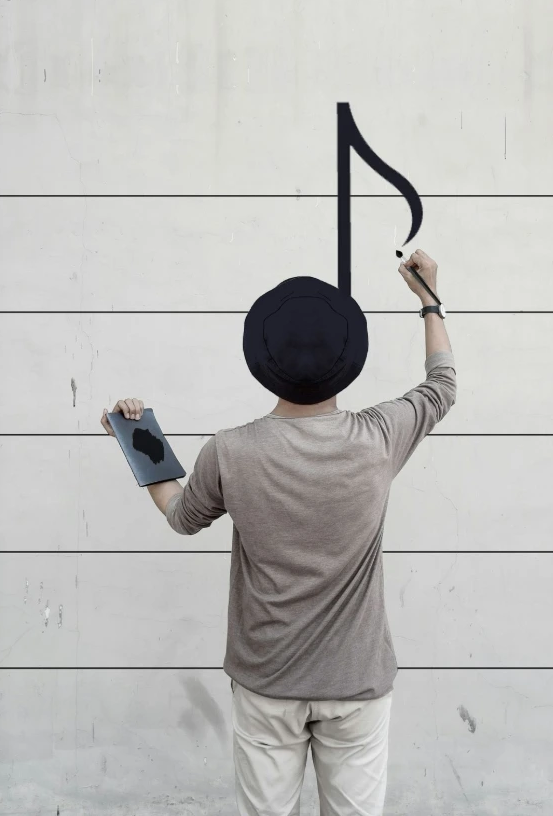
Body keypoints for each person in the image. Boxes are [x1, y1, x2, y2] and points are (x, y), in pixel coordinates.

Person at [101, 249, 457, 816]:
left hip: (267, 682)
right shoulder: (379, 438)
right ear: (348, 361)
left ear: (263, 360)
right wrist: (429, 300)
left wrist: (136, 437)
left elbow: (180, 516)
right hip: (356, 681)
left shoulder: (230, 451)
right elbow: (441, 387)